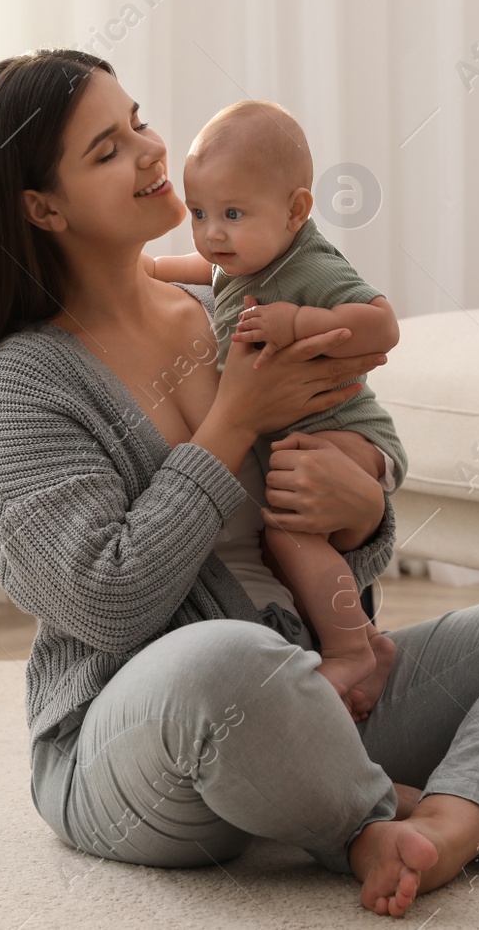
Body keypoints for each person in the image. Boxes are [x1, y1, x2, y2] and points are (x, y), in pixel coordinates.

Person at [0, 48, 479, 918]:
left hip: (316, 697)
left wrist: (365, 515)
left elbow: (336, 483)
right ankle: (377, 810)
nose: (152, 150)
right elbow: (110, 599)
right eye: (107, 150)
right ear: (42, 207)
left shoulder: (232, 307)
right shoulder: (27, 382)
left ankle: (451, 827)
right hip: (142, 746)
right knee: (227, 657)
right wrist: (232, 417)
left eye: (137, 121)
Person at [144, 98, 407, 718]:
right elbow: (202, 270)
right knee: (280, 539)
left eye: (233, 213)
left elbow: (383, 325)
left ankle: (349, 651)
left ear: (296, 211)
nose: (211, 234)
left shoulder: (310, 266)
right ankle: (368, 639)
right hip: (308, 435)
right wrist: (149, 268)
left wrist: (302, 320)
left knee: (287, 532)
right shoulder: (241, 255)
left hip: (346, 433)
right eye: (201, 213)